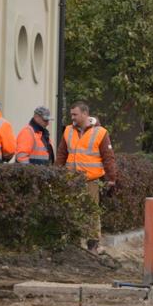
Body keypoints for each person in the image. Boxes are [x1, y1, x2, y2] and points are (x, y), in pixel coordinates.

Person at [56, 101, 117, 252]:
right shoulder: (68, 131)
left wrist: (111, 178)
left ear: (85, 114)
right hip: (71, 179)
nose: (72, 117)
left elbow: (108, 157)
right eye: (71, 114)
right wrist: (57, 173)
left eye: (75, 114)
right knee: (71, 209)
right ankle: (73, 242)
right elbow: (61, 154)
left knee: (91, 212)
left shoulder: (100, 132)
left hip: (91, 180)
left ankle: (92, 244)